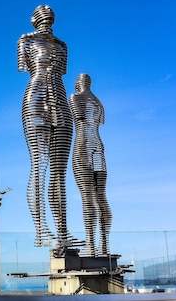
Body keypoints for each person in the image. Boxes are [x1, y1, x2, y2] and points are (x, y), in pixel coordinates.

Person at [18, 5, 74, 247]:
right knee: (39, 165)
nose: (47, 12)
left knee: (60, 172)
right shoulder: (25, 41)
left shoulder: (63, 45)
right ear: (34, 19)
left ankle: (62, 232)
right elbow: (27, 69)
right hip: (36, 99)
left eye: (50, 12)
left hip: (61, 100)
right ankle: (41, 230)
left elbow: (61, 73)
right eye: (42, 12)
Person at [69, 73, 112, 256]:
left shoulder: (75, 98)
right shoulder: (99, 103)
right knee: (101, 196)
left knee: (87, 196)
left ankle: (91, 246)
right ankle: (105, 245)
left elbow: (76, 118)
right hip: (99, 148)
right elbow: (100, 122)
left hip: (83, 146)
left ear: (78, 84)